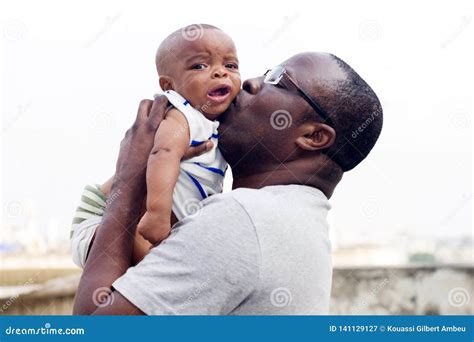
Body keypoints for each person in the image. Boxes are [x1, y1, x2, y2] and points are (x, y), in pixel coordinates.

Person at [72, 52, 383, 315]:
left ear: (314, 137)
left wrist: (129, 178)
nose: (250, 82)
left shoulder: (244, 219)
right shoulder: (296, 222)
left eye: (278, 80)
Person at [70, 24, 240, 261]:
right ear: (169, 87)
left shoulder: (215, 123)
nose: (220, 72)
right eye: (200, 66)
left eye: (230, 65)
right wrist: (157, 214)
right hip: (102, 213)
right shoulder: (182, 115)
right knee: (150, 261)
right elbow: (163, 153)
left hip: (134, 213)